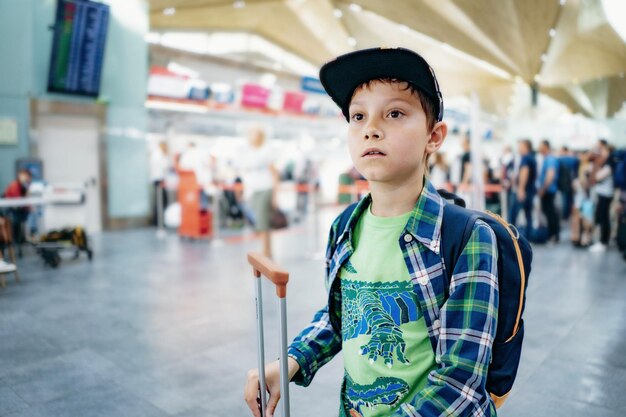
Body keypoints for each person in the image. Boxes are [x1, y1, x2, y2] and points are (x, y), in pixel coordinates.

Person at [244, 47, 499, 416]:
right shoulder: (345, 226)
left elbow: (459, 381)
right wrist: (290, 361)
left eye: (394, 113)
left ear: (434, 136)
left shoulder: (466, 238)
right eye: (358, 116)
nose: (371, 129)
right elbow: (342, 317)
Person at [239, 125, 279, 258]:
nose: (251, 136)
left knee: (263, 223)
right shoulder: (249, 152)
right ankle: (266, 250)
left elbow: (274, 174)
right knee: (260, 223)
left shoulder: (266, 151)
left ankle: (267, 251)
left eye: (254, 133)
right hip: (254, 191)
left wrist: (275, 196)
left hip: (265, 189)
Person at [589, 139, 614, 252]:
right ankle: (602, 241)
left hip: (606, 194)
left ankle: (604, 242)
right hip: (602, 193)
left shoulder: (608, 165)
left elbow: (596, 178)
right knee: (601, 216)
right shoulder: (604, 164)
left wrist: (596, 164)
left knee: (603, 217)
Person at [509, 139, 536, 238]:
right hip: (529, 190)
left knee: (513, 214)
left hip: (524, 191)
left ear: (525, 146)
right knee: (528, 214)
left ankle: (512, 237)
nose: (518, 148)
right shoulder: (531, 158)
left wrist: (521, 189)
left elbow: (524, 173)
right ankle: (528, 236)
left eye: (520, 146)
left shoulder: (526, 158)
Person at [2, 169, 32, 254]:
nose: (26, 178)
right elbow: (18, 201)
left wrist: (27, 187)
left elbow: (26, 201)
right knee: (18, 221)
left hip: (19, 210)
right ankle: (17, 241)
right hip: (11, 211)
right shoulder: (15, 185)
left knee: (31, 214)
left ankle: (22, 239)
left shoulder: (24, 185)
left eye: (27, 176)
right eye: (24, 176)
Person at [537, 139, 560, 243]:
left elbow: (550, 175)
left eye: (541, 146)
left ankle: (553, 235)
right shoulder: (546, 159)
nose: (539, 148)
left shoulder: (550, 159)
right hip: (547, 190)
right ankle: (552, 234)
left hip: (548, 191)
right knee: (549, 213)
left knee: (551, 214)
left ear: (545, 147)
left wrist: (543, 189)